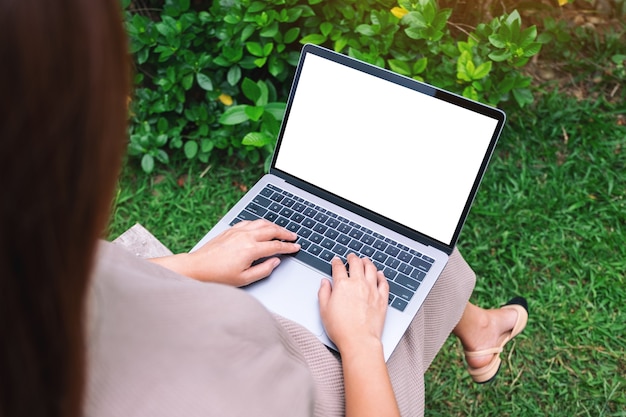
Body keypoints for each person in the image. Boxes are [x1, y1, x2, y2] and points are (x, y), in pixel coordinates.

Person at [0, 1, 527, 417]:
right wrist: (361, 342)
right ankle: (477, 330)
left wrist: (188, 266)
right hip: (309, 378)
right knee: (398, 266)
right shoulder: (230, 386)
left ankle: (480, 331)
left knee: (386, 249)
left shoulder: (33, 277)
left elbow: (73, 280)